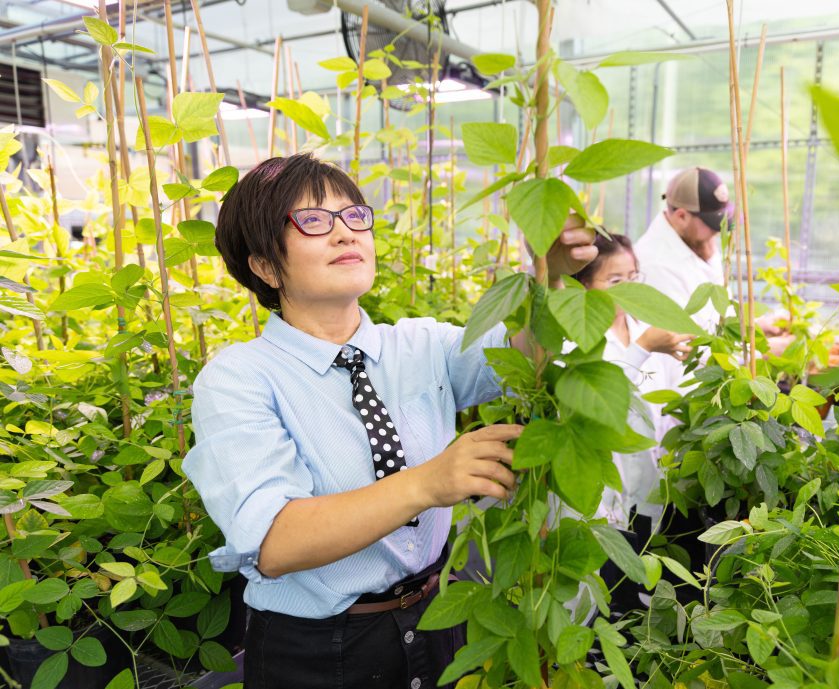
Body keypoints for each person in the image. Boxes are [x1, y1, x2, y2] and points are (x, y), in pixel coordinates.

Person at [182, 153, 597, 689]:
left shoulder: (421, 345)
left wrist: (550, 276)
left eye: (354, 215)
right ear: (264, 265)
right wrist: (428, 482)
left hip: (433, 618)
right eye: (313, 220)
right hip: (316, 647)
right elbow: (275, 542)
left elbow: (527, 362)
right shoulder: (240, 379)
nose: (343, 233)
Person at [569, 232, 691, 615]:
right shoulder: (576, 338)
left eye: (633, 277)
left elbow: (662, 402)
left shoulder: (641, 328)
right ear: (584, 284)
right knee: (592, 592)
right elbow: (594, 404)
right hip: (597, 490)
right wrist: (642, 351)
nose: (628, 289)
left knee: (630, 590)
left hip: (646, 484)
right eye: (615, 281)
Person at [634, 166, 732, 332]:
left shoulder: (698, 241)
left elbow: (717, 317)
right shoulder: (655, 265)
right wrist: (761, 351)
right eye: (712, 224)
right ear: (681, 216)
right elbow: (689, 341)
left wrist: (756, 327)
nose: (717, 232)